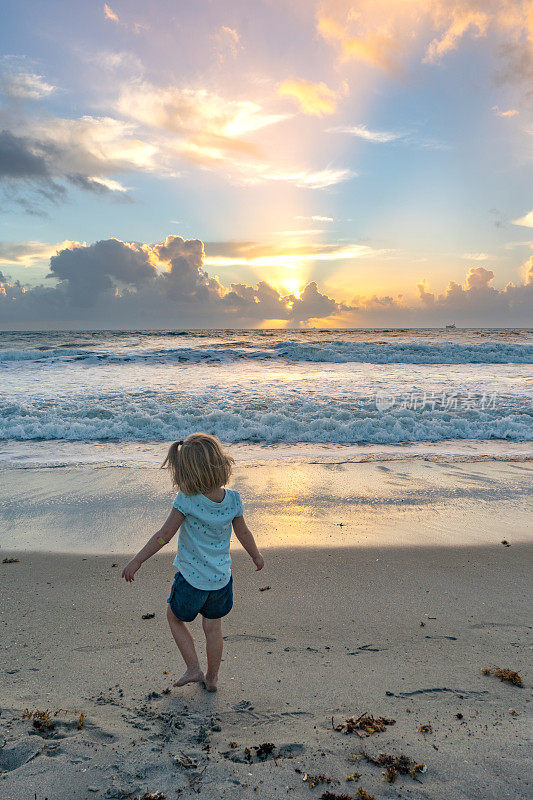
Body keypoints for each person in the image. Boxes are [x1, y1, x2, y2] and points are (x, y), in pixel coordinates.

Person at [122, 433, 264, 692]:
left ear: (185, 470)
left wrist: (137, 560)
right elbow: (243, 532)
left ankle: (193, 668)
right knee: (213, 628)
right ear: (220, 463)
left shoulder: (186, 500)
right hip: (221, 581)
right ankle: (212, 678)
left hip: (191, 580)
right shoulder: (233, 499)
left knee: (175, 618)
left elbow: (163, 536)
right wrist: (255, 555)